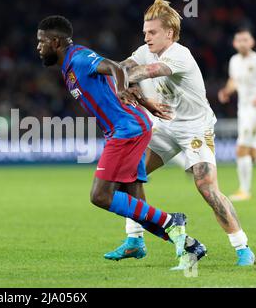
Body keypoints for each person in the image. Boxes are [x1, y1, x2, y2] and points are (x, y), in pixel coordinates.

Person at [37, 15, 205, 269]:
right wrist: (145, 102)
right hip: (129, 126)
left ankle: (173, 222)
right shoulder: (68, 66)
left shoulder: (80, 58)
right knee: (134, 201)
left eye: (42, 42)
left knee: (101, 196)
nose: (38, 47)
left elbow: (116, 68)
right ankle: (188, 246)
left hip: (127, 130)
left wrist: (120, 89)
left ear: (56, 42)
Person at [104, 0, 256, 266]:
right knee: (128, 175)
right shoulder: (144, 50)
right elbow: (120, 68)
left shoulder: (179, 54)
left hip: (195, 127)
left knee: (205, 186)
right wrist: (98, 70)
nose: (147, 38)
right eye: (145, 33)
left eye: (152, 32)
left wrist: (121, 81)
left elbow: (146, 72)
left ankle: (242, 247)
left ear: (170, 33)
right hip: (164, 125)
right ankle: (135, 240)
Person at [218, 28, 256, 201]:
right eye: (239, 40)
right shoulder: (234, 61)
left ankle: (244, 191)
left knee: (241, 149)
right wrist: (227, 91)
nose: (242, 43)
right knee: (253, 153)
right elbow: (234, 80)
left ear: (252, 42)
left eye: (245, 40)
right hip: (243, 109)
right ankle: (245, 189)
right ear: (234, 43)